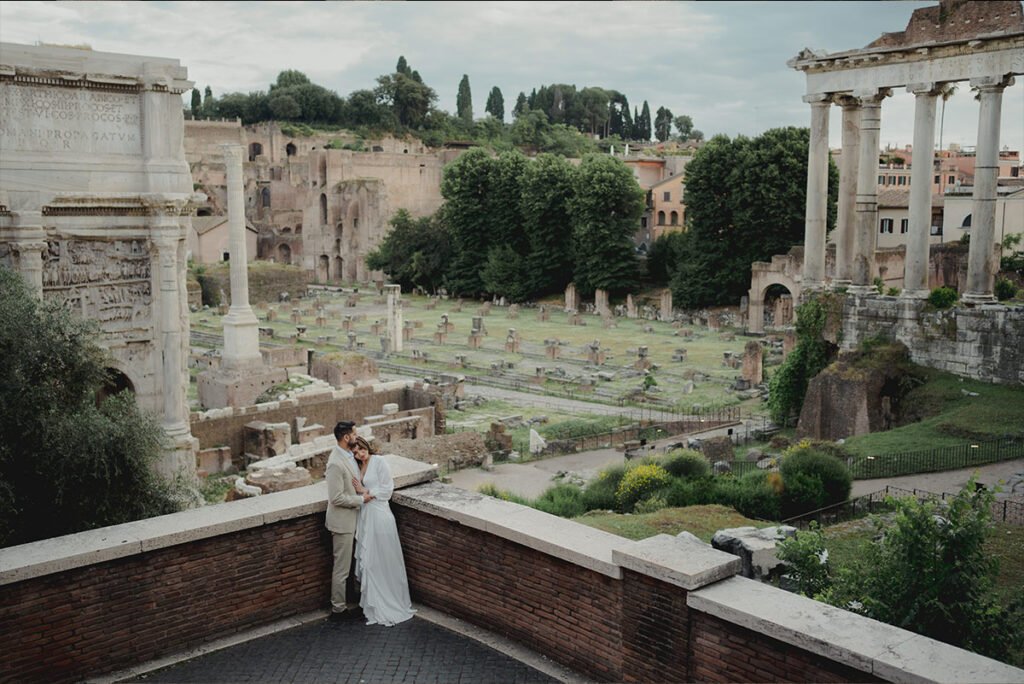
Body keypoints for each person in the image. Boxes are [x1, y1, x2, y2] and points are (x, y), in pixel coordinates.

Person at [351, 436, 416, 626]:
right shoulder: (359, 466)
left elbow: (387, 490)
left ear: (366, 447)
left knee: (384, 558)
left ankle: (391, 601)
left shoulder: (379, 461)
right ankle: (373, 603)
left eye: (361, 449)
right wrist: (362, 493)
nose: (360, 454)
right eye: (355, 452)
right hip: (366, 516)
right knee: (370, 561)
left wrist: (365, 493)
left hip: (379, 514)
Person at [325, 421, 371, 620]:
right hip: (342, 523)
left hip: (355, 519)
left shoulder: (349, 456)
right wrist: (361, 499)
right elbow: (335, 498)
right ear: (346, 438)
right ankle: (338, 609)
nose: (357, 436)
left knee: (356, 562)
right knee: (342, 568)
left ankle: (354, 599)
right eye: (354, 433)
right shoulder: (335, 462)